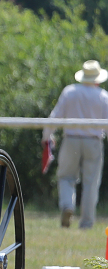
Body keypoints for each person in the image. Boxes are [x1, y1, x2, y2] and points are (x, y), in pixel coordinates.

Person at [42, 60, 108, 229]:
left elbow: (55, 117)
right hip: (93, 142)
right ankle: (86, 223)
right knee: (91, 184)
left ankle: (67, 206)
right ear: (97, 78)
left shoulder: (70, 91)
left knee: (66, 177)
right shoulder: (103, 96)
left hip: (70, 140)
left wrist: (47, 136)